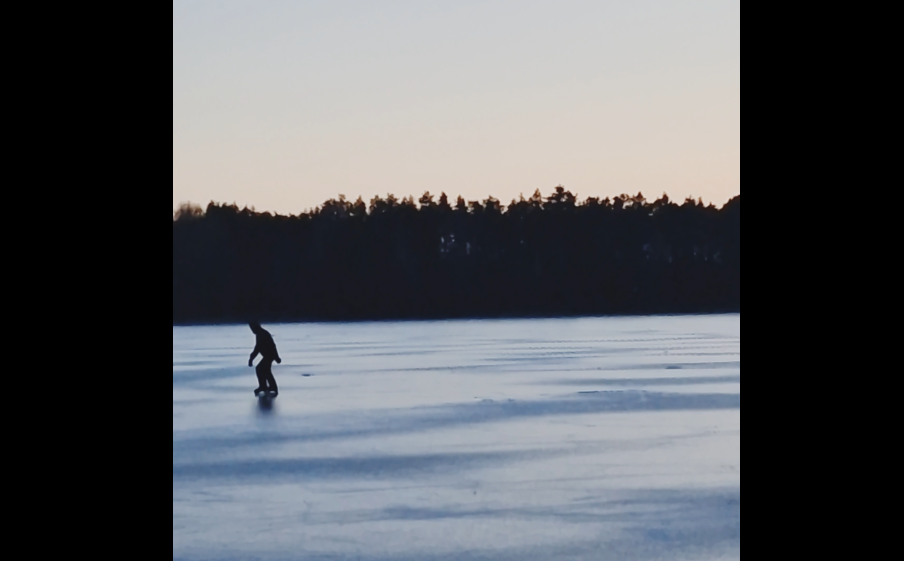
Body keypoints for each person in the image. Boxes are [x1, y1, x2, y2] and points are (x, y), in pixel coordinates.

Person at [249, 322, 281, 396]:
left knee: (260, 369)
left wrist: (276, 357)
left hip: (269, 355)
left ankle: (264, 386)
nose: (252, 330)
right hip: (268, 355)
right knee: (266, 371)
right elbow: (258, 347)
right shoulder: (260, 334)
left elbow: (258, 347)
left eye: (252, 328)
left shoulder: (262, 334)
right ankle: (271, 387)